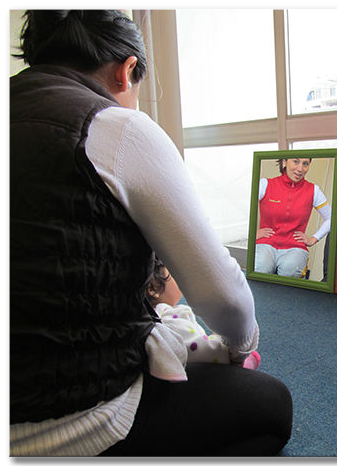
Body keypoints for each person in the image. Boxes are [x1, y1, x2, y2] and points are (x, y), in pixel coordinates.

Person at [10, 10, 291, 457]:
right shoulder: (114, 126)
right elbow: (224, 297)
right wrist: (241, 348)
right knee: (270, 404)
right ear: (126, 71)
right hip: (63, 421)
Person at [145, 255, 261, 372]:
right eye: (173, 273)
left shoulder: (146, 314)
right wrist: (219, 339)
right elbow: (195, 349)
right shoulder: (169, 318)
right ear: (153, 288)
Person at [255, 157, 331, 278]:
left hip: (294, 247)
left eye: (305, 164)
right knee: (260, 267)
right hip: (265, 243)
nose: (300, 168)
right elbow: (243, 206)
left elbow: (331, 218)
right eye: (296, 161)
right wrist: (252, 233)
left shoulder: (314, 190)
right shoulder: (265, 184)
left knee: (290, 270)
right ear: (284, 162)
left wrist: (313, 239)